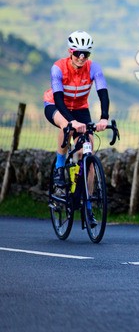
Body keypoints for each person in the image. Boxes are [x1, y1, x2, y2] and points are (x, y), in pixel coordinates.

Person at [43, 31, 110, 227]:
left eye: (86, 54)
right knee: (67, 128)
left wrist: (104, 117)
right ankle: (59, 166)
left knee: (87, 153)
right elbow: (57, 98)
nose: (82, 58)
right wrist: (71, 122)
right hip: (56, 106)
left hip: (80, 108)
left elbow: (103, 92)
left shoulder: (93, 68)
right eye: (78, 53)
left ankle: (87, 207)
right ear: (70, 52)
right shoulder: (58, 68)